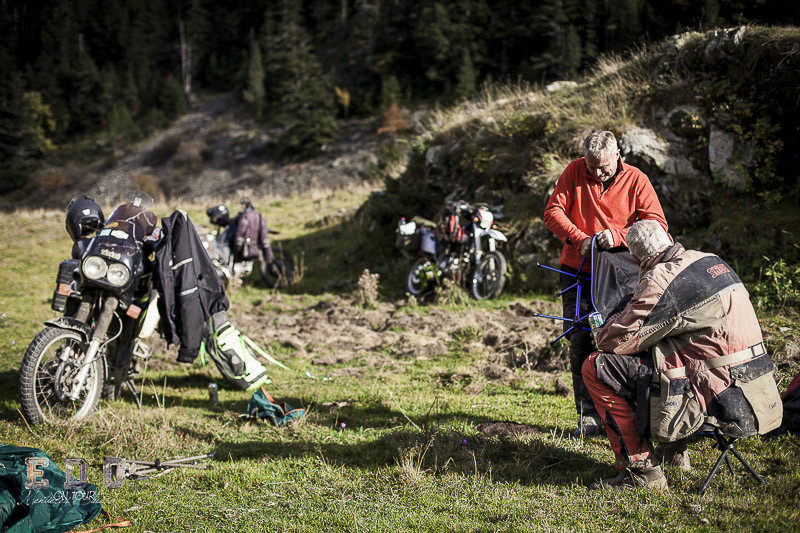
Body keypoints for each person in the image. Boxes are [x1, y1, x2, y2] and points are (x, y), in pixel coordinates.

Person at [582, 220, 783, 490]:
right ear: (668, 238)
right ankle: (673, 454)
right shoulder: (710, 260)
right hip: (756, 386)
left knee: (596, 366)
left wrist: (608, 324)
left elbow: (614, 342)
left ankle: (642, 473)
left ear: (634, 257)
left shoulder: (660, 278)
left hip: (716, 396)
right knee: (669, 355)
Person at [543, 130, 668, 437]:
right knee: (580, 338)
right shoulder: (574, 171)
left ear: (617, 154)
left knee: (622, 337)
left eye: (603, 167)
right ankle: (588, 416)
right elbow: (552, 212)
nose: (596, 173)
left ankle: (624, 412)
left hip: (622, 273)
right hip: (578, 270)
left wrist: (618, 236)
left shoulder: (637, 179)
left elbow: (657, 224)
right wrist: (579, 238)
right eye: (591, 166)